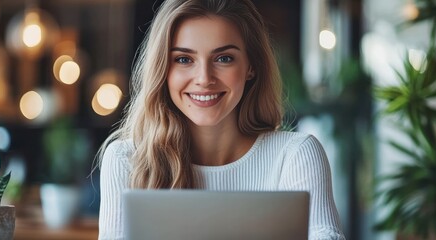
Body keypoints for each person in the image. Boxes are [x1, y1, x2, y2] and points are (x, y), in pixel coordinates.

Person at [97, 0, 345, 239]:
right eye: (184, 59)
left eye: (223, 58)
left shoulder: (295, 155)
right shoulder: (126, 159)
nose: (204, 78)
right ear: (163, 69)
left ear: (251, 66)